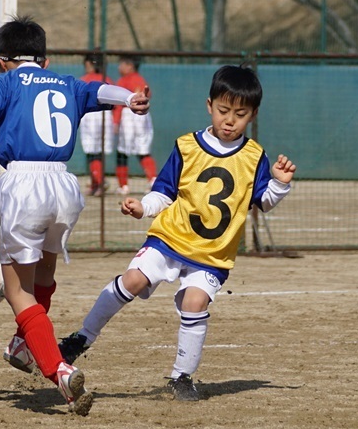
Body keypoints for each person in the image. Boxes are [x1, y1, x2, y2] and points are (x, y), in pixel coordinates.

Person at [0, 16, 150, 416]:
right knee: (44, 278)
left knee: (17, 290)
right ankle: (21, 344)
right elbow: (103, 91)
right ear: (44, 60)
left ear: (1, 61)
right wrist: (130, 98)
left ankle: (58, 369)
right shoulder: (67, 83)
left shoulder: (4, 83)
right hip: (64, 187)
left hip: (22, 184)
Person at [59, 65, 296, 401]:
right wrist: (143, 207)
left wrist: (280, 184)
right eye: (223, 110)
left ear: (253, 115)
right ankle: (80, 339)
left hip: (212, 255)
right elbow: (164, 192)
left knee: (194, 302)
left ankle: (181, 378)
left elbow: (264, 201)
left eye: (240, 114)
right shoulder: (187, 146)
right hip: (170, 239)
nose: (230, 120)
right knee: (133, 280)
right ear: (209, 105)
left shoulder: (255, 156)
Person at [113, 54, 157, 194]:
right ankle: (152, 180)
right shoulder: (141, 80)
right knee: (143, 150)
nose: (119, 67)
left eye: (122, 64)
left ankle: (123, 185)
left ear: (130, 66)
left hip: (128, 115)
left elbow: (119, 104)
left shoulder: (123, 80)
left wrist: (115, 121)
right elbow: (147, 95)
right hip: (143, 115)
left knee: (122, 151)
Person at [78, 51, 114, 196]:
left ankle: (99, 182)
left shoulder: (84, 79)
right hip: (106, 115)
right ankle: (95, 182)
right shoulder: (107, 79)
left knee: (92, 152)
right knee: (100, 152)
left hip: (90, 116)